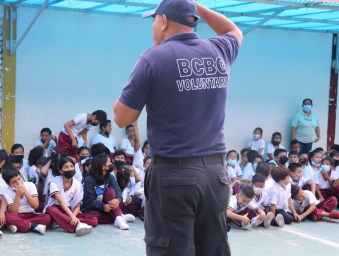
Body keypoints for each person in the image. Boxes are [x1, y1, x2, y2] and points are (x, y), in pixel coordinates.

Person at [114, 0, 242, 254]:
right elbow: (234, 32)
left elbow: (121, 117)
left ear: (162, 21)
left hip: (175, 175)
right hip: (216, 175)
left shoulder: (153, 57)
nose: (153, 26)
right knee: (212, 248)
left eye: (153, 20)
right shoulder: (218, 50)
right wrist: (196, 6)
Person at [44, 157, 98, 236]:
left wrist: (74, 216)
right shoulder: (54, 182)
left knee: (94, 220)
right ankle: (78, 225)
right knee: (50, 209)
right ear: (61, 170)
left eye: (71, 166)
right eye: (66, 167)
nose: (69, 169)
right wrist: (72, 216)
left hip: (69, 210)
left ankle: (61, 222)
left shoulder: (77, 184)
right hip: (56, 208)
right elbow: (60, 201)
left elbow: (77, 205)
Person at [82, 154, 132, 229]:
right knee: (93, 217)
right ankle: (119, 217)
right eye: (109, 162)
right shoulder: (89, 179)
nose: (111, 164)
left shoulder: (110, 177)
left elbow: (117, 190)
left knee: (111, 191)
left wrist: (118, 199)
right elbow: (88, 201)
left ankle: (118, 218)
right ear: (103, 167)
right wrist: (102, 207)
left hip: (109, 207)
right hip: (96, 208)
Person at [1, 166, 50, 235]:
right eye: (14, 182)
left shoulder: (30, 185)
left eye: (19, 179)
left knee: (47, 218)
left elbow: (35, 206)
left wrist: (25, 192)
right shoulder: (7, 192)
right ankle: (34, 226)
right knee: (8, 217)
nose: (19, 183)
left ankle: (19, 225)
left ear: (21, 176)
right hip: (18, 216)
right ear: (9, 184)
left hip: (31, 214)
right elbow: (13, 213)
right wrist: (18, 195)